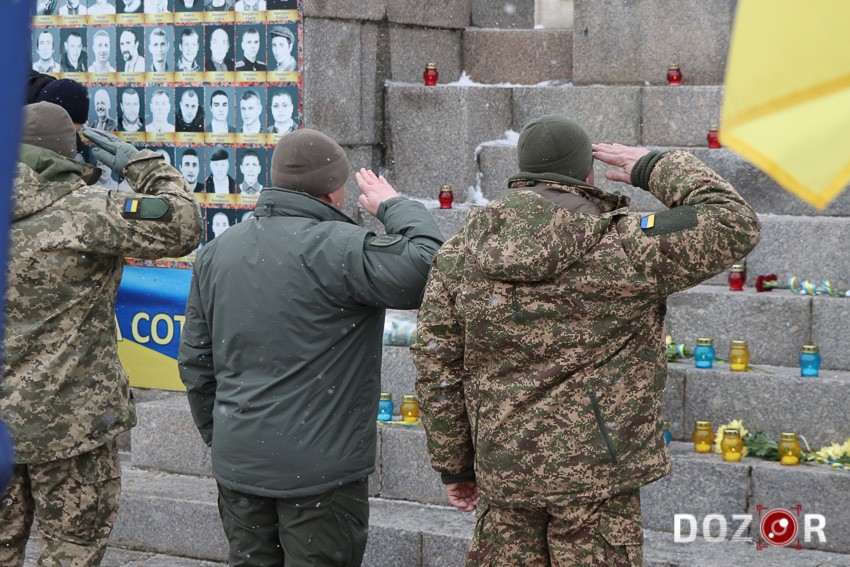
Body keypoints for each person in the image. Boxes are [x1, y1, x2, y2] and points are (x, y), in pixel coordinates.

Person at [411, 115, 762, 566]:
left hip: (506, 472)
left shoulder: (459, 254)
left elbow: (438, 366)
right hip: (599, 477)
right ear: (588, 173)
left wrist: (455, 465)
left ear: (522, 172)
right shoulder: (628, 244)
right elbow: (733, 220)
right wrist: (654, 166)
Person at [178, 128, 444, 567]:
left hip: (240, 464)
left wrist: (225, 437)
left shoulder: (217, 252)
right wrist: (393, 205)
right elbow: (432, 267)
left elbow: (196, 362)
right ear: (334, 191)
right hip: (320, 474)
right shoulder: (342, 248)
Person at [0, 101, 202, 567]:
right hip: (70, 425)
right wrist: (141, 164)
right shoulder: (89, 212)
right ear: (68, 152)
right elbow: (184, 224)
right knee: (72, 549)